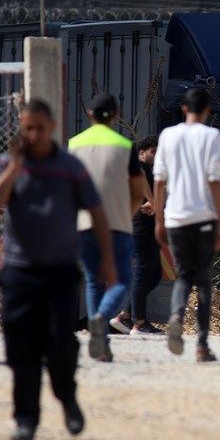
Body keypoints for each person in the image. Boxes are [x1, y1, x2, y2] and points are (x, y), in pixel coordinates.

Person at [0, 98, 116, 440]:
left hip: (59, 273)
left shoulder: (70, 167)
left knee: (59, 344)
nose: (34, 134)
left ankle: (67, 399)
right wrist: (14, 167)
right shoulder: (6, 164)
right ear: (21, 128)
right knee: (20, 348)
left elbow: (97, 212)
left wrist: (107, 260)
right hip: (19, 272)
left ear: (52, 127)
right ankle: (26, 419)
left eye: (40, 127)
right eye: (28, 128)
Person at [69, 92, 145, 361]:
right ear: (115, 116)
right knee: (122, 280)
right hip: (117, 225)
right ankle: (101, 319)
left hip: (84, 224)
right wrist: (127, 213)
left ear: (90, 114)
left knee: (93, 282)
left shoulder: (74, 144)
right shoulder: (125, 146)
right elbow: (138, 192)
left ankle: (100, 344)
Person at [154, 88, 220, 362]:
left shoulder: (168, 136)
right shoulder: (211, 136)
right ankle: (201, 345)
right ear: (208, 110)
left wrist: (159, 219)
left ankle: (175, 315)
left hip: (175, 218)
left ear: (184, 109)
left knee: (183, 276)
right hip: (204, 217)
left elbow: (159, 180)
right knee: (204, 280)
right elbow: (214, 180)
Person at [111, 135, 164, 335]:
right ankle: (139, 322)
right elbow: (140, 180)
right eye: (153, 152)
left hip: (148, 229)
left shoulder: (148, 171)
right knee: (142, 275)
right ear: (141, 153)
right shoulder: (139, 169)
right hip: (141, 229)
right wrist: (152, 201)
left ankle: (124, 315)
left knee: (154, 275)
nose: (157, 156)